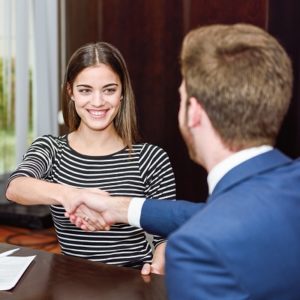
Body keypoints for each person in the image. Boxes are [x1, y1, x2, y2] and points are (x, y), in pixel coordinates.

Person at [64, 23, 300, 299]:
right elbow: (229, 215)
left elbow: (223, 221)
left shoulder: (197, 249)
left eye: (181, 97)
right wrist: (120, 207)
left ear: (194, 113)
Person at [5, 42, 176, 274]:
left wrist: (160, 261)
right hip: (71, 282)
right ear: (70, 92)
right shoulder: (51, 148)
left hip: (133, 281)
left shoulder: (151, 158)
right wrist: (73, 195)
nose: (97, 102)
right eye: (85, 90)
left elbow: (165, 236)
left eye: (109, 90)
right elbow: (16, 187)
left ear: (122, 92)